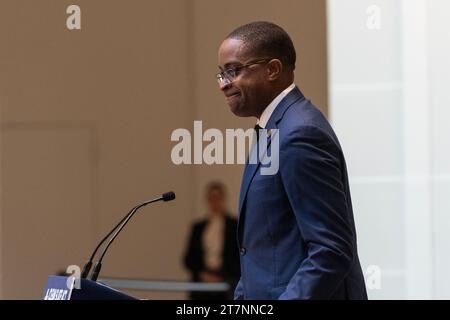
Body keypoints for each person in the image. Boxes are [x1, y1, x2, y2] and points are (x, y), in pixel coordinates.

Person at [217, 21, 368, 300]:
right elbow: (259, 255)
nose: (224, 85)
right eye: (221, 74)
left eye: (233, 71)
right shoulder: (275, 128)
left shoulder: (300, 132)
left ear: (272, 69)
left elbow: (331, 250)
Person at [183, 182, 240, 300]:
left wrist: (222, 276)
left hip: (226, 285)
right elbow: (189, 259)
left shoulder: (234, 226)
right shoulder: (198, 227)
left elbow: (238, 257)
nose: (215, 202)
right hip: (202, 286)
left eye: (218, 197)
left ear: (223, 199)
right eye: (212, 198)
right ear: (207, 200)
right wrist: (202, 274)